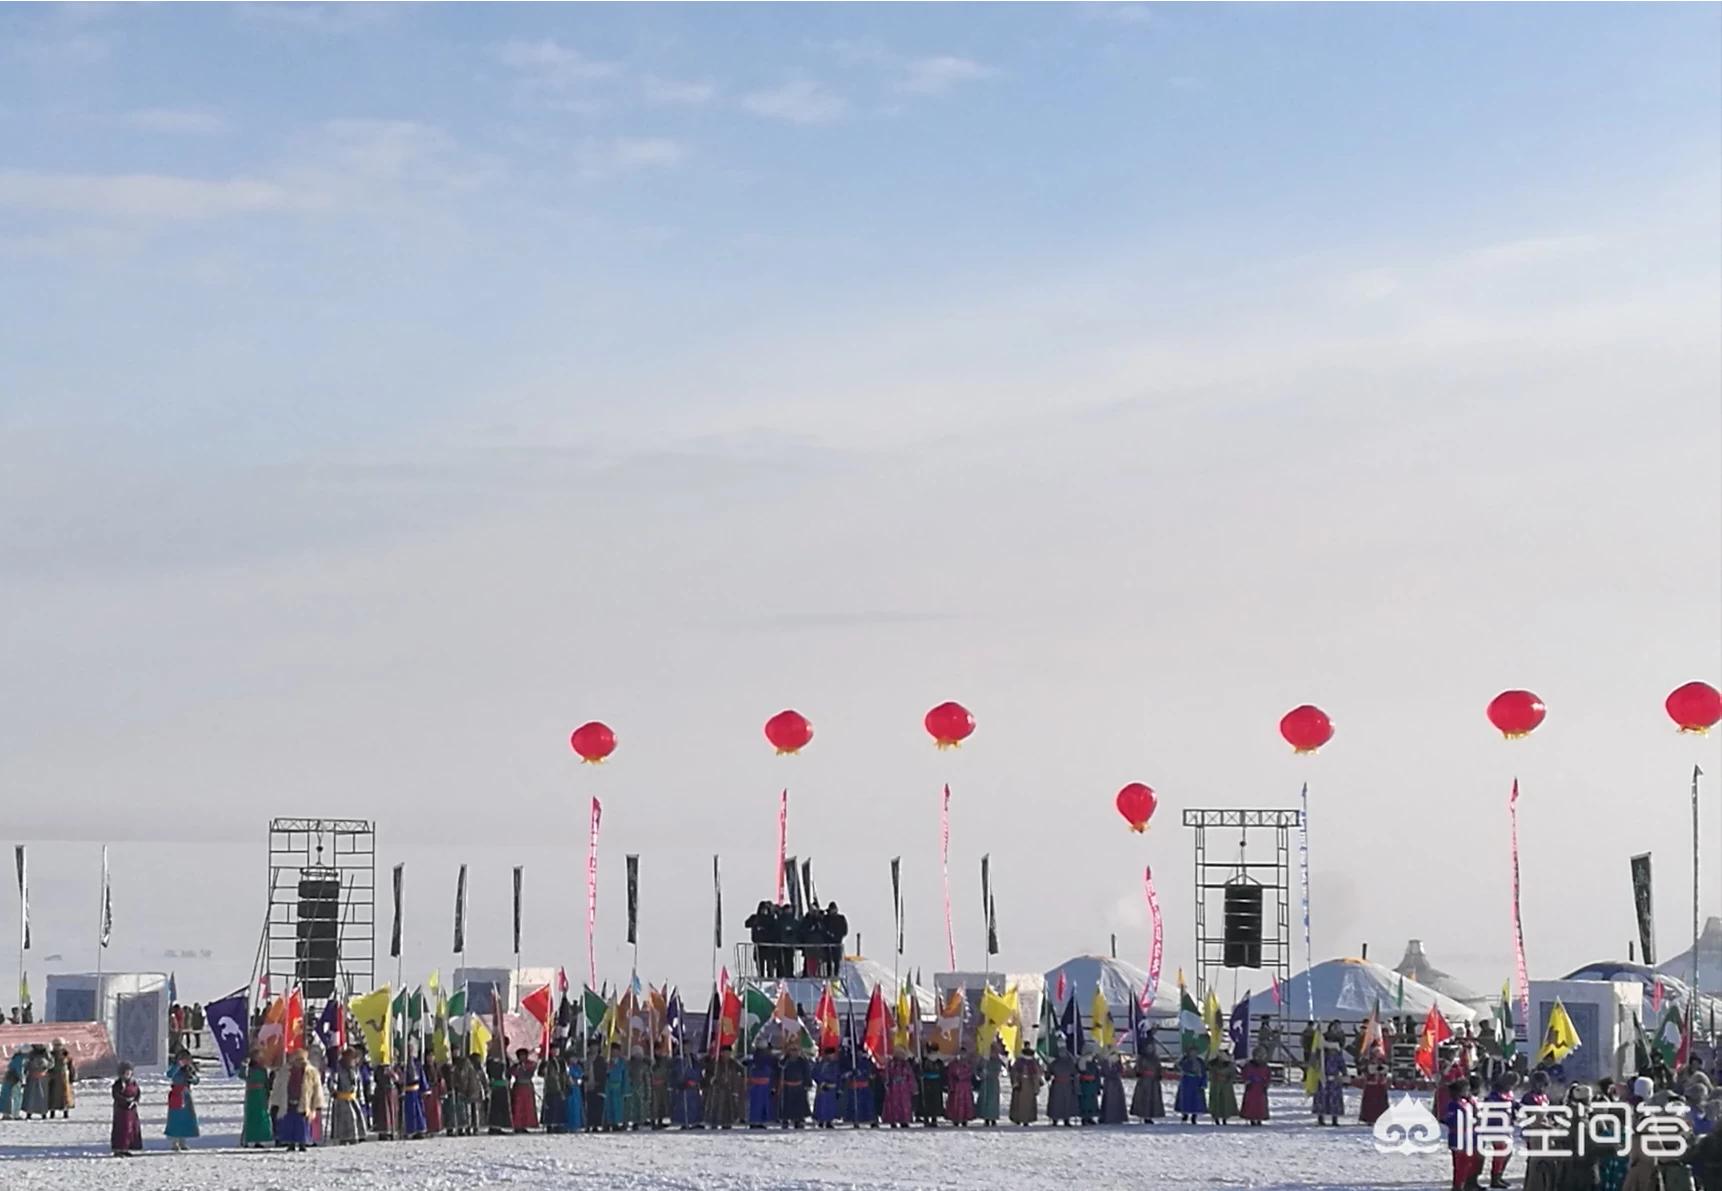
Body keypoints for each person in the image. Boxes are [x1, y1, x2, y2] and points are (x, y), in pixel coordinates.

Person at [271, 1050, 321, 1153]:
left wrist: (317, 1103)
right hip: (288, 1101)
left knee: (302, 1125)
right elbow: (278, 1087)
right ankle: (291, 1143)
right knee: (290, 1124)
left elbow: (317, 1088)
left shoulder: (311, 1072)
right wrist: (275, 1102)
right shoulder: (285, 1071)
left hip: (304, 1101)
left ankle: (302, 1143)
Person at [165, 1049, 200, 1151]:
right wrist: (178, 1066)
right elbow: (169, 1074)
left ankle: (183, 1141)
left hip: (186, 1095)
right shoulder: (175, 1067)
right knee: (176, 1119)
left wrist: (192, 1078)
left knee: (186, 1119)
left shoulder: (189, 1068)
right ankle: (174, 1142)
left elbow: (196, 1080)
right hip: (177, 1094)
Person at [704, 1043, 744, 1129]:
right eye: (725, 1053)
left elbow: (742, 1070)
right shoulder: (716, 1062)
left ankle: (727, 1123)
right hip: (717, 1088)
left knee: (728, 1107)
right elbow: (708, 1073)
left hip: (728, 1089)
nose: (727, 1055)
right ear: (721, 1053)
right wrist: (712, 1079)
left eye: (729, 1053)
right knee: (716, 1106)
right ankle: (713, 1123)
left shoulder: (732, 1063)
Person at [332, 1048, 367, 1144]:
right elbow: (333, 1080)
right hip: (342, 1098)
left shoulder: (355, 1069)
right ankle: (343, 1137)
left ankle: (355, 1136)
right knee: (346, 1119)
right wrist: (333, 1090)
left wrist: (361, 1098)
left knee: (355, 1117)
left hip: (352, 1098)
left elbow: (359, 1084)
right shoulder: (339, 1068)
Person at [110, 1061, 142, 1157]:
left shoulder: (133, 1083)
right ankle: (118, 1149)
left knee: (131, 1129)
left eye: (129, 1072)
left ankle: (127, 1147)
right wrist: (125, 1101)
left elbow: (138, 1093)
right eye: (126, 1072)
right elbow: (116, 1095)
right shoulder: (118, 1084)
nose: (128, 1074)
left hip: (131, 1110)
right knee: (122, 1128)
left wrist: (135, 1101)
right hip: (121, 1110)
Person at [778, 1038, 812, 1129]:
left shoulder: (802, 1061)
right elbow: (780, 1066)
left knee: (799, 1105)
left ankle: (799, 1120)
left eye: (796, 1050)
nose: (794, 1053)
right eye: (792, 1050)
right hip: (788, 1086)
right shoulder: (786, 1060)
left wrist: (808, 1083)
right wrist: (785, 1057)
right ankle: (785, 1120)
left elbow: (807, 1072)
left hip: (799, 1086)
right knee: (787, 1105)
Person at [242, 1053, 274, 1147]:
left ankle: (259, 1140)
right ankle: (246, 1140)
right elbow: (242, 1075)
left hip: (261, 1095)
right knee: (251, 1117)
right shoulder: (249, 1069)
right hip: (252, 1096)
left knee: (261, 1117)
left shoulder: (263, 1069)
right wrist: (244, 1065)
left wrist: (268, 1094)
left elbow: (266, 1083)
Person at [1132, 1032, 1165, 1123]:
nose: (1150, 1049)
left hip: (1153, 1082)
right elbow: (1137, 1068)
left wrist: (1159, 1075)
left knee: (1152, 1100)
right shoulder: (1142, 1058)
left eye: (1151, 1047)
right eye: (1148, 1047)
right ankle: (1143, 1114)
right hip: (1144, 1082)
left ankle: (1150, 1116)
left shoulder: (1155, 1058)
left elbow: (1159, 1068)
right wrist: (1138, 1072)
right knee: (1144, 1099)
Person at [843, 1043, 878, 1126]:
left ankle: (872, 1121)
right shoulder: (850, 1061)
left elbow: (871, 1073)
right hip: (854, 1087)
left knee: (867, 1106)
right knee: (854, 1106)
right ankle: (855, 1120)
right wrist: (851, 1073)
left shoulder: (867, 1061)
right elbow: (844, 1073)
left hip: (864, 1087)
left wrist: (861, 1073)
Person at [669, 1044, 703, 1128]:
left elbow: (698, 1069)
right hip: (684, 1087)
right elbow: (676, 1072)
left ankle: (695, 1122)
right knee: (683, 1105)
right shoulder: (679, 1059)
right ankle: (684, 1122)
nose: (688, 1048)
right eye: (686, 1047)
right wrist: (681, 1082)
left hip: (693, 1086)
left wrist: (696, 1079)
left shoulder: (694, 1059)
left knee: (694, 1105)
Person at [1314, 1040, 1347, 1126]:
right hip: (1323, 1079)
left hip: (1334, 1080)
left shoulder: (1338, 1057)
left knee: (1334, 1101)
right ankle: (1320, 1118)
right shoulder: (1322, 1057)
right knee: (1322, 1099)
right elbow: (1316, 1066)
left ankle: (1334, 1119)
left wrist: (1345, 1076)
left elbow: (1342, 1067)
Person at [747, 1039, 778, 1127]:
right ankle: (755, 1121)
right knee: (757, 1104)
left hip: (765, 1084)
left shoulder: (770, 1058)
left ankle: (760, 1121)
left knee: (763, 1104)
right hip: (757, 1084)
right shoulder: (756, 1058)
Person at [1046, 1042, 1079, 1126]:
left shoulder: (1069, 1062)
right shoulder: (1055, 1062)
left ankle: (1066, 1119)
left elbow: (1074, 1074)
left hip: (1066, 1084)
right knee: (1056, 1102)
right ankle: (1055, 1119)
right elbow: (1049, 1073)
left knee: (1066, 1102)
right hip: (1058, 1084)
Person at [1174, 1043, 1208, 1124]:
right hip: (1187, 1082)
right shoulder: (1185, 1060)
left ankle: (1194, 1116)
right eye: (1191, 1051)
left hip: (1196, 1082)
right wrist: (1179, 1065)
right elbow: (1177, 1067)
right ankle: (1185, 1114)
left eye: (1195, 1052)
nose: (1193, 1053)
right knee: (1186, 1099)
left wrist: (1203, 1082)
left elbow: (1204, 1072)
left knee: (1196, 1100)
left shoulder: (1200, 1061)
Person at [883, 1046, 916, 1127]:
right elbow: (887, 1075)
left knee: (904, 1104)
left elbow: (910, 1076)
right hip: (894, 1087)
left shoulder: (906, 1064)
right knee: (893, 1104)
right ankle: (893, 1121)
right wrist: (886, 1082)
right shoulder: (891, 1064)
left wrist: (913, 1087)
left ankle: (904, 1121)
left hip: (904, 1087)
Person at [1009, 1045, 1042, 1126]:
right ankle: (1018, 1118)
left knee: (1028, 1103)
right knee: (1018, 1103)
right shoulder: (1019, 1062)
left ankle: (1027, 1119)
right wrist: (1015, 1082)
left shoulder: (1033, 1063)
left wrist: (1036, 1086)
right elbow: (1014, 1073)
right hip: (1021, 1084)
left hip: (1029, 1085)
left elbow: (1037, 1074)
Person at [401, 1049, 429, 1139]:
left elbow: (421, 1076)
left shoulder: (417, 1063)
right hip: (407, 1092)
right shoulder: (402, 1063)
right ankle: (409, 1131)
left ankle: (420, 1130)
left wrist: (424, 1089)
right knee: (409, 1113)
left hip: (416, 1092)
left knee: (418, 1112)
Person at [540, 1042, 568, 1133]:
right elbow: (540, 1073)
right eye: (554, 1050)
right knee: (550, 1106)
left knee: (559, 1107)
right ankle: (549, 1125)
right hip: (550, 1087)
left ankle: (558, 1125)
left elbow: (564, 1074)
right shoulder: (547, 1061)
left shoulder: (562, 1061)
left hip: (560, 1086)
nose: (556, 1051)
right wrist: (544, 1068)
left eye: (557, 1050)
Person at [811, 1045, 842, 1128]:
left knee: (831, 1105)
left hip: (832, 1088)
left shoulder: (836, 1064)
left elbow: (839, 1077)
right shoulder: (821, 1064)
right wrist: (821, 1082)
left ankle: (829, 1121)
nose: (832, 1056)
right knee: (821, 1104)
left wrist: (839, 1088)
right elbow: (815, 1074)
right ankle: (821, 1120)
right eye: (830, 1054)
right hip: (823, 1087)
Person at [509, 1047, 538, 1133]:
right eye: (520, 1055)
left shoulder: (530, 1064)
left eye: (524, 1055)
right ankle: (517, 1125)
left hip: (527, 1087)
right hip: (519, 1087)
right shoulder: (516, 1066)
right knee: (518, 1107)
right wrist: (517, 1068)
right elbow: (511, 1072)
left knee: (527, 1107)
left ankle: (525, 1124)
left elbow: (533, 1068)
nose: (522, 1057)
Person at [977, 1039, 1005, 1127]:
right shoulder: (984, 1060)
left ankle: (993, 1118)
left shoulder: (997, 1061)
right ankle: (986, 1118)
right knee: (985, 1100)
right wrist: (981, 1074)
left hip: (993, 1082)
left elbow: (1000, 1069)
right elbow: (978, 1069)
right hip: (986, 1082)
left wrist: (991, 1072)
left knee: (993, 1101)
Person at [485, 1047, 513, 1135]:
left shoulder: (506, 1058)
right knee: (495, 1108)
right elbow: (490, 1071)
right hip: (496, 1085)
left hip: (503, 1085)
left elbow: (509, 1071)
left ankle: (501, 1125)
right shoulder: (491, 1059)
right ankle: (493, 1126)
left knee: (502, 1107)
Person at [946, 1046, 976, 1126]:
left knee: (965, 1103)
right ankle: (955, 1118)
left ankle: (965, 1119)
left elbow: (971, 1073)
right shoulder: (953, 1064)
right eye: (960, 1054)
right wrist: (951, 1084)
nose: (962, 1055)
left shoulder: (968, 1064)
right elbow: (950, 1075)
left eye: (963, 1054)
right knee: (955, 1103)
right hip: (956, 1086)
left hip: (966, 1086)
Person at [1241, 1048, 1272, 1125]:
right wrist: (1248, 1081)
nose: (1260, 1057)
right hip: (1252, 1088)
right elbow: (1244, 1073)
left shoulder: (1265, 1067)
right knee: (1251, 1103)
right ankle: (1251, 1118)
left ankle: (1259, 1118)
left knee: (1260, 1104)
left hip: (1261, 1088)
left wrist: (1266, 1084)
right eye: (1258, 1055)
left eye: (1262, 1055)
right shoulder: (1249, 1066)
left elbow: (1268, 1076)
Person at [917, 1046, 946, 1127]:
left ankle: (934, 1119)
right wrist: (921, 1075)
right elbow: (919, 1072)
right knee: (926, 1102)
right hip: (927, 1083)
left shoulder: (939, 1062)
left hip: (936, 1084)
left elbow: (942, 1073)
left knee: (935, 1102)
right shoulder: (924, 1062)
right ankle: (926, 1118)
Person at [603, 1043, 630, 1132]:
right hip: (609, 1087)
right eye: (612, 1051)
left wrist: (625, 1089)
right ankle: (608, 1123)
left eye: (616, 1051)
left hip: (618, 1087)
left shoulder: (622, 1063)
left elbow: (625, 1076)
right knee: (609, 1106)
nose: (614, 1053)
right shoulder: (607, 1062)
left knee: (618, 1107)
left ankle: (618, 1123)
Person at [1209, 1048, 1239, 1125]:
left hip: (1226, 1086)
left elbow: (1233, 1074)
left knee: (1225, 1101)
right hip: (1216, 1085)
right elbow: (1210, 1073)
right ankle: (1216, 1117)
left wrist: (1228, 1079)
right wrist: (1215, 1077)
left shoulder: (1229, 1065)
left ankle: (1225, 1118)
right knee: (1216, 1101)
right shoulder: (1213, 1064)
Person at [1100, 1047, 1129, 1124]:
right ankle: (1107, 1117)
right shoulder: (1105, 1061)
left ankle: (1118, 1117)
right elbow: (1103, 1072)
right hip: (1109, 1083)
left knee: (1117, 1100)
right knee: (1108, 1101)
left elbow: (1121, 1070)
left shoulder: (1117, 1060)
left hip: (1116, 1082)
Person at [1359, 1057, 1391, 1125]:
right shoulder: (1366, 1061)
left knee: (1381, 1103)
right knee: (1370, 1103)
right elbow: (1364, 1071)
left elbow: (1386, 1070)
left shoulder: (1383, 1061)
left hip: (1380, 1086)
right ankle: (1369, 1119)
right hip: (1371, 1086)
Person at [48, 1039, 75, 1117]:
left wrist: (72, 1077)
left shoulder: (66, 1055)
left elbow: (71, 1067)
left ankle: (65, 1111)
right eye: (56, 1045)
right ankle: (52, 1112)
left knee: (65, 1095)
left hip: (64, 1077)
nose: (57, 1047)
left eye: (59, 1045)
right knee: (53, 1095)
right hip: (54, 1077)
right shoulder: (50, 1055)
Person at [1076, 1045, 1102, 1125]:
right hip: (1084, 1084)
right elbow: (1079, 1071)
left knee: (1092, 1102)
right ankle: (1084, 1118)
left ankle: (1090, 1117)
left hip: (1092, 1084)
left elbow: (1097, 1074)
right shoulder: (1081, 1061)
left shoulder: (1093, 1063)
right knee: (1084, 1102)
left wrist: (1098, 1085)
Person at [1, 1045, 24, 1119]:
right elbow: (19, 1070)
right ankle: (15, 1114)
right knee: (17, 1097)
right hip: (14, 1080)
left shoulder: (15, 1058)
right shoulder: (20, 1058)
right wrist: (22, 1079)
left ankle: (6, 1114)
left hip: (8, 1079)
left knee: (6, 1096)